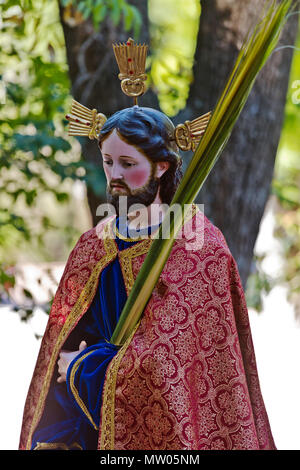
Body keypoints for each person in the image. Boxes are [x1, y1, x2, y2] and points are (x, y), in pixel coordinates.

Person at [19, 40, 275, 451]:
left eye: (127, 164)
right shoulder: (93, 246)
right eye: (107, 161)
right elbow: (59, 356)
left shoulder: (199, 248)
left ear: (163, 165)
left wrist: (85, 367)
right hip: (85, 431)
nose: (113, 175)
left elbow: (167, 369)